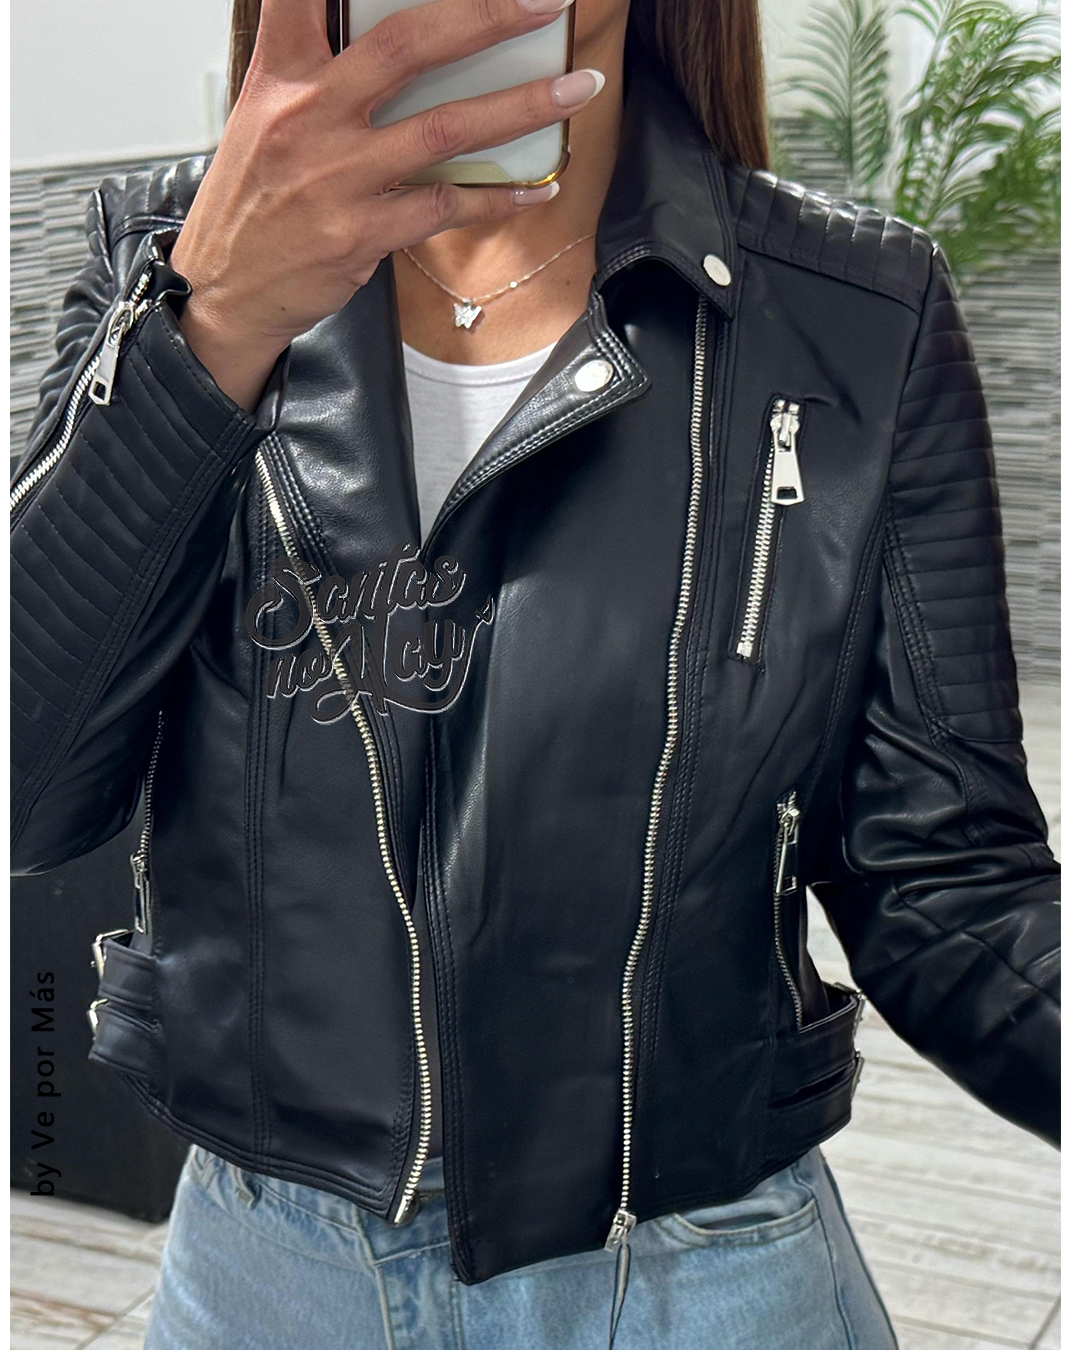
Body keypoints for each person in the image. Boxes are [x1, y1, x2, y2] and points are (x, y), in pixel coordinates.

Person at [9, 0, 1059, 1344]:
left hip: (698, 1273)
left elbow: (947, 876)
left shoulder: (853, 310)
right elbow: (27, 790)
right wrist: (208, 327)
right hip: (270, 1270)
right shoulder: (168, 261)